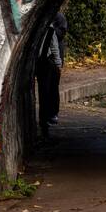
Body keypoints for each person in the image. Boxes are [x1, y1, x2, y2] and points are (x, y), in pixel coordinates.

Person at [36, 10, 67, 138]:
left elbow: (56, 44)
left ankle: (48, 117)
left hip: (46, 63)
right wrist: (59, 64)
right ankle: (47, 118)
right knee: (48, 90)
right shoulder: (49, 29)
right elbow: (54, 47)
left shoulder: (52, 25)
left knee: (47, 90)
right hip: (48, 62)